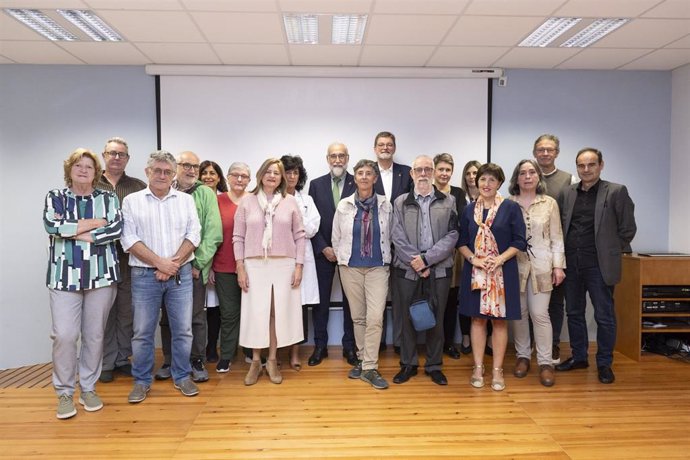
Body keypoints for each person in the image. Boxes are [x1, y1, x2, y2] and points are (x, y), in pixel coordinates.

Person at [44, 148, 122, 419]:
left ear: (96, 172)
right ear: (70, 169)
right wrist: (93, 224)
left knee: (94, 335)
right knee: (64, 335)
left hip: (101, 276)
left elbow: (115, 229)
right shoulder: (55, 197)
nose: (83, 170)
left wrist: (75, 230)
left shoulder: (108, 198)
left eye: (89, 166)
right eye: (78, 165)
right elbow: (53, 227)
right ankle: (64, 393)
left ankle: (87, 387)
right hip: (64, 276)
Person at [122, 150, 201, 403]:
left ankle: (182, 376)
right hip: (145, 276)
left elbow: (194, 234)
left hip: (180, 275)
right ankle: (142, 381)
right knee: (142, 332)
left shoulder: (185, 200)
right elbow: (129, 239)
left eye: (168, 171)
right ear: (148, 172)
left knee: (183, 330)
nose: (162, 175)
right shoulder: (132, 201)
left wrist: (172, 264)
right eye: (157, 170)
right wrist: (160, 264)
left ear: (173, 173)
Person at [556, 148, 636, 384]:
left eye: (591, 164)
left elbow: (628, 229)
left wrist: (610, 250)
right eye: (581, 165)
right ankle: (579, 356)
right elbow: (562, 225)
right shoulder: (567, 193)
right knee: (574, 312)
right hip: (571, 263)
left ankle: (604, 363)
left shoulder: (616, 191)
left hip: (600, 265)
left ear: (601, 165)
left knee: (604, 315)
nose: (586, 169)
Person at [234, 158, 305, 385]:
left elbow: (300, 236)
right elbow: (238, 237)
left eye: (277, 173)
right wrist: (240, 267)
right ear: (261, 175)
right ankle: (256, 361)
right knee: (257, 313)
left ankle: (272, 359)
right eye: (269, 172)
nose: (272, 176)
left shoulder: (290, 201)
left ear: (281, 177)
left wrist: (299, 266)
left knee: (276, 313)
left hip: (284, 264)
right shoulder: (247, 201)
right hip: (255, 264)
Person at [155, 152, 222, 383]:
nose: (192, 170)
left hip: (192, 267)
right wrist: (164, 263)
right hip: (163, 267)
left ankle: (196, 359)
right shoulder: (164, 189)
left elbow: (213, 233)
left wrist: (198, 263)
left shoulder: (204, 193)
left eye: (195, 166)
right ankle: (170, 360)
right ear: (175, 168)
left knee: (194, 317)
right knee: (167, 318)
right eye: (186, 165)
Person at [458, 163, 526, 392]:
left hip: (502, 271)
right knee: (477, 320)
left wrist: (499, 259)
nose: (486, 184)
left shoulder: (510, 208)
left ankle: (497, 369)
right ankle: (478, 367)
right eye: (482, 179)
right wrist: (474, 260)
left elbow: (519, 241)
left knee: (499, 321)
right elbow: (461, 242)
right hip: (476, 272)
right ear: (476, 182)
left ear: (499, 183)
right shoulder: (469, 210)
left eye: (491, 180)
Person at [391, 155, 458, 386]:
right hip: (407, 270)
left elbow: (452, 235)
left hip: (438, 270)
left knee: (437, 318)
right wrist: (417, 262)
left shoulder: (448, 200)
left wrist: (427, 260)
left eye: (427, 169)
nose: (423, 173)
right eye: (418, 169)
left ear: (432, 173)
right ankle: (408, 364)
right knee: (406, 318)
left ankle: (434, 365)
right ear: (411, 173)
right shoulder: (400, 202)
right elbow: (396, 236)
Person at [332, 159, 392, 390]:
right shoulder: (344, 205)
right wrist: (342, 260)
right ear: (355, 178)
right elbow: (336, 237)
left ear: (375, 178)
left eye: (369, 173)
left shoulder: (386, 205)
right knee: (358, 317)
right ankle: (362, 360)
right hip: (351, 267)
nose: (365, 177)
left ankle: (369, 366)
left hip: (378, 266)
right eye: (360, 173)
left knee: (375, 317)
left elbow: (392, 234)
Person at [508, 159, 565, 387]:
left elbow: (557, 237)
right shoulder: (508, 203)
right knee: (519, 314)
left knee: (540, 314)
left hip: (542, 266)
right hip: (515, 265)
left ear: (538, 177)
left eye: (532, 172)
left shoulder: (549, 203)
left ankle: (545, 362)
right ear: (517, 178)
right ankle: (523, 356)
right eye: (523, 173)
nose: (528, 176)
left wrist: (558, 266)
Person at [97, 137, 146, 384]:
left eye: (122, 154)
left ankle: (121, 359)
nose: (117, 157)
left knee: (127, 312)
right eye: (112, 153)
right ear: (104, 155)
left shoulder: (137, 186)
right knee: (104, 312)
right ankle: (105, 362)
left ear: (128, 159)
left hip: (130, 259)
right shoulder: (92, 184)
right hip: (99, 260)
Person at [307, 143, 357, 366]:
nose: (337, 160)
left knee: (351, 302)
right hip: (323, 252)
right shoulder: (316, 185)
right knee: (321, 303)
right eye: (333, 156)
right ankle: (320, 346)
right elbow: (310, 221)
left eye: (341, 156)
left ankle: (350, 347)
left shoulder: (358, 181)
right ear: (327, 159)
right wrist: (323, 247)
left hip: (351, 255)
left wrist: (346, 249)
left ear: (347, 158)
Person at [532, 134, 576, 364]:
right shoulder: (526, 177)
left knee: (554, 304)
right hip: (529, 255)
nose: (545, 153)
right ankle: (534, 345)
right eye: (541, 149)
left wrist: (559, 261)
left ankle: (553, 346)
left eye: (549, 150)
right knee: (531, 302)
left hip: (556, 254)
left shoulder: (568, 180)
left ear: (557, 153)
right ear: (534, 153)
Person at [372, 131, 413, 354]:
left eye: (389, 144)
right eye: (381, 144)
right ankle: (376, 342)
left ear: (394, 148)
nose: (385, 148)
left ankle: (399, 341)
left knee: (400, 297)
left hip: (401, 245)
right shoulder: (366, 172)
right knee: (376, 298)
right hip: (374, 246)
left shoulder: (406, 173)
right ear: (374, 148)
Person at [281, 155, 321, 371]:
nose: (292, 176)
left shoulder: (307, 200)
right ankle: (276, 352)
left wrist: (292, 228)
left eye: (295, 172)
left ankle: (295, 353)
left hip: (302, 258)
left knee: (300, 307)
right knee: (277, 306)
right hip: (278, 259)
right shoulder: (271, 198)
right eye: (287, 172)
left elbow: (312, 228)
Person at [211, 162, 251, 373]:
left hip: (252, 267)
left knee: (252, 311)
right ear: (227, 177)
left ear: (250, 180)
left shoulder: (255, 201)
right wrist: (208, 266)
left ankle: (251, 351)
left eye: (244, 176)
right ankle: (227, 354)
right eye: (235, 175)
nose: (239, 179)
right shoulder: (217, 201)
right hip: (224, 265)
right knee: (229, 313)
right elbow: (209, 234)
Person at [433, 153, 467, 360]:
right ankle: (431, 343)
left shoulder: (458, 193)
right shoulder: (425, 190)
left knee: (450, 300)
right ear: (434, 171)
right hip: (429, 254)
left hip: (452, 254)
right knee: (431, 301)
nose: (444, 173)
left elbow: (460, 221)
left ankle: (447, 343)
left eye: (448, 170)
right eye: (441, 169)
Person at [198, 160, 227, 363]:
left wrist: (214, 266)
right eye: (204, 173)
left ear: (219, 177)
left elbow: (219, 234)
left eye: (212, 173)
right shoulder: (193, 198)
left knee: (216, 310)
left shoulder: (224, 200)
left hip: (220, 261)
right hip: (199, 261)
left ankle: (212, 347)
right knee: (199, 310)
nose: (208, 177)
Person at [458, 160, 483, 355]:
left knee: (486, 297)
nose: (472, 176)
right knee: (464, 295)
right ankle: (466, 336)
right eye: (468, 173)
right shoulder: (460, 196)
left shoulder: (492, 198)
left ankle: (488, 338)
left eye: (476, 172)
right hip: (463, 252)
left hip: (487, 256)